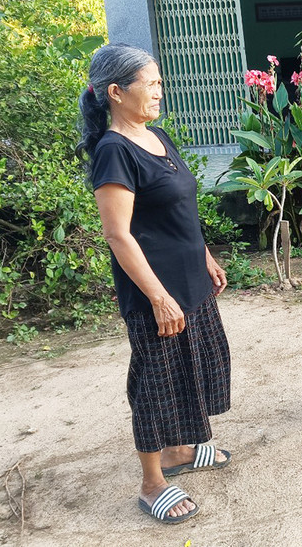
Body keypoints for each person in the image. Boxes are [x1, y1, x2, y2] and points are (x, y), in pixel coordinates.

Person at [76, 44, 232, 524]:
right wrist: (158, 297)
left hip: (190, 280)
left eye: (160, 81)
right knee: (155, 383)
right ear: (116, 92)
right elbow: (118, 235)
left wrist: (205, 255)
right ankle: (151, 482)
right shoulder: (113, 152)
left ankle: (180, 451)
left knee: (191, 371)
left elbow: (181, 208)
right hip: (154, 293)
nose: (159, 90)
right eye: (150, 82)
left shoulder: (157, 136)